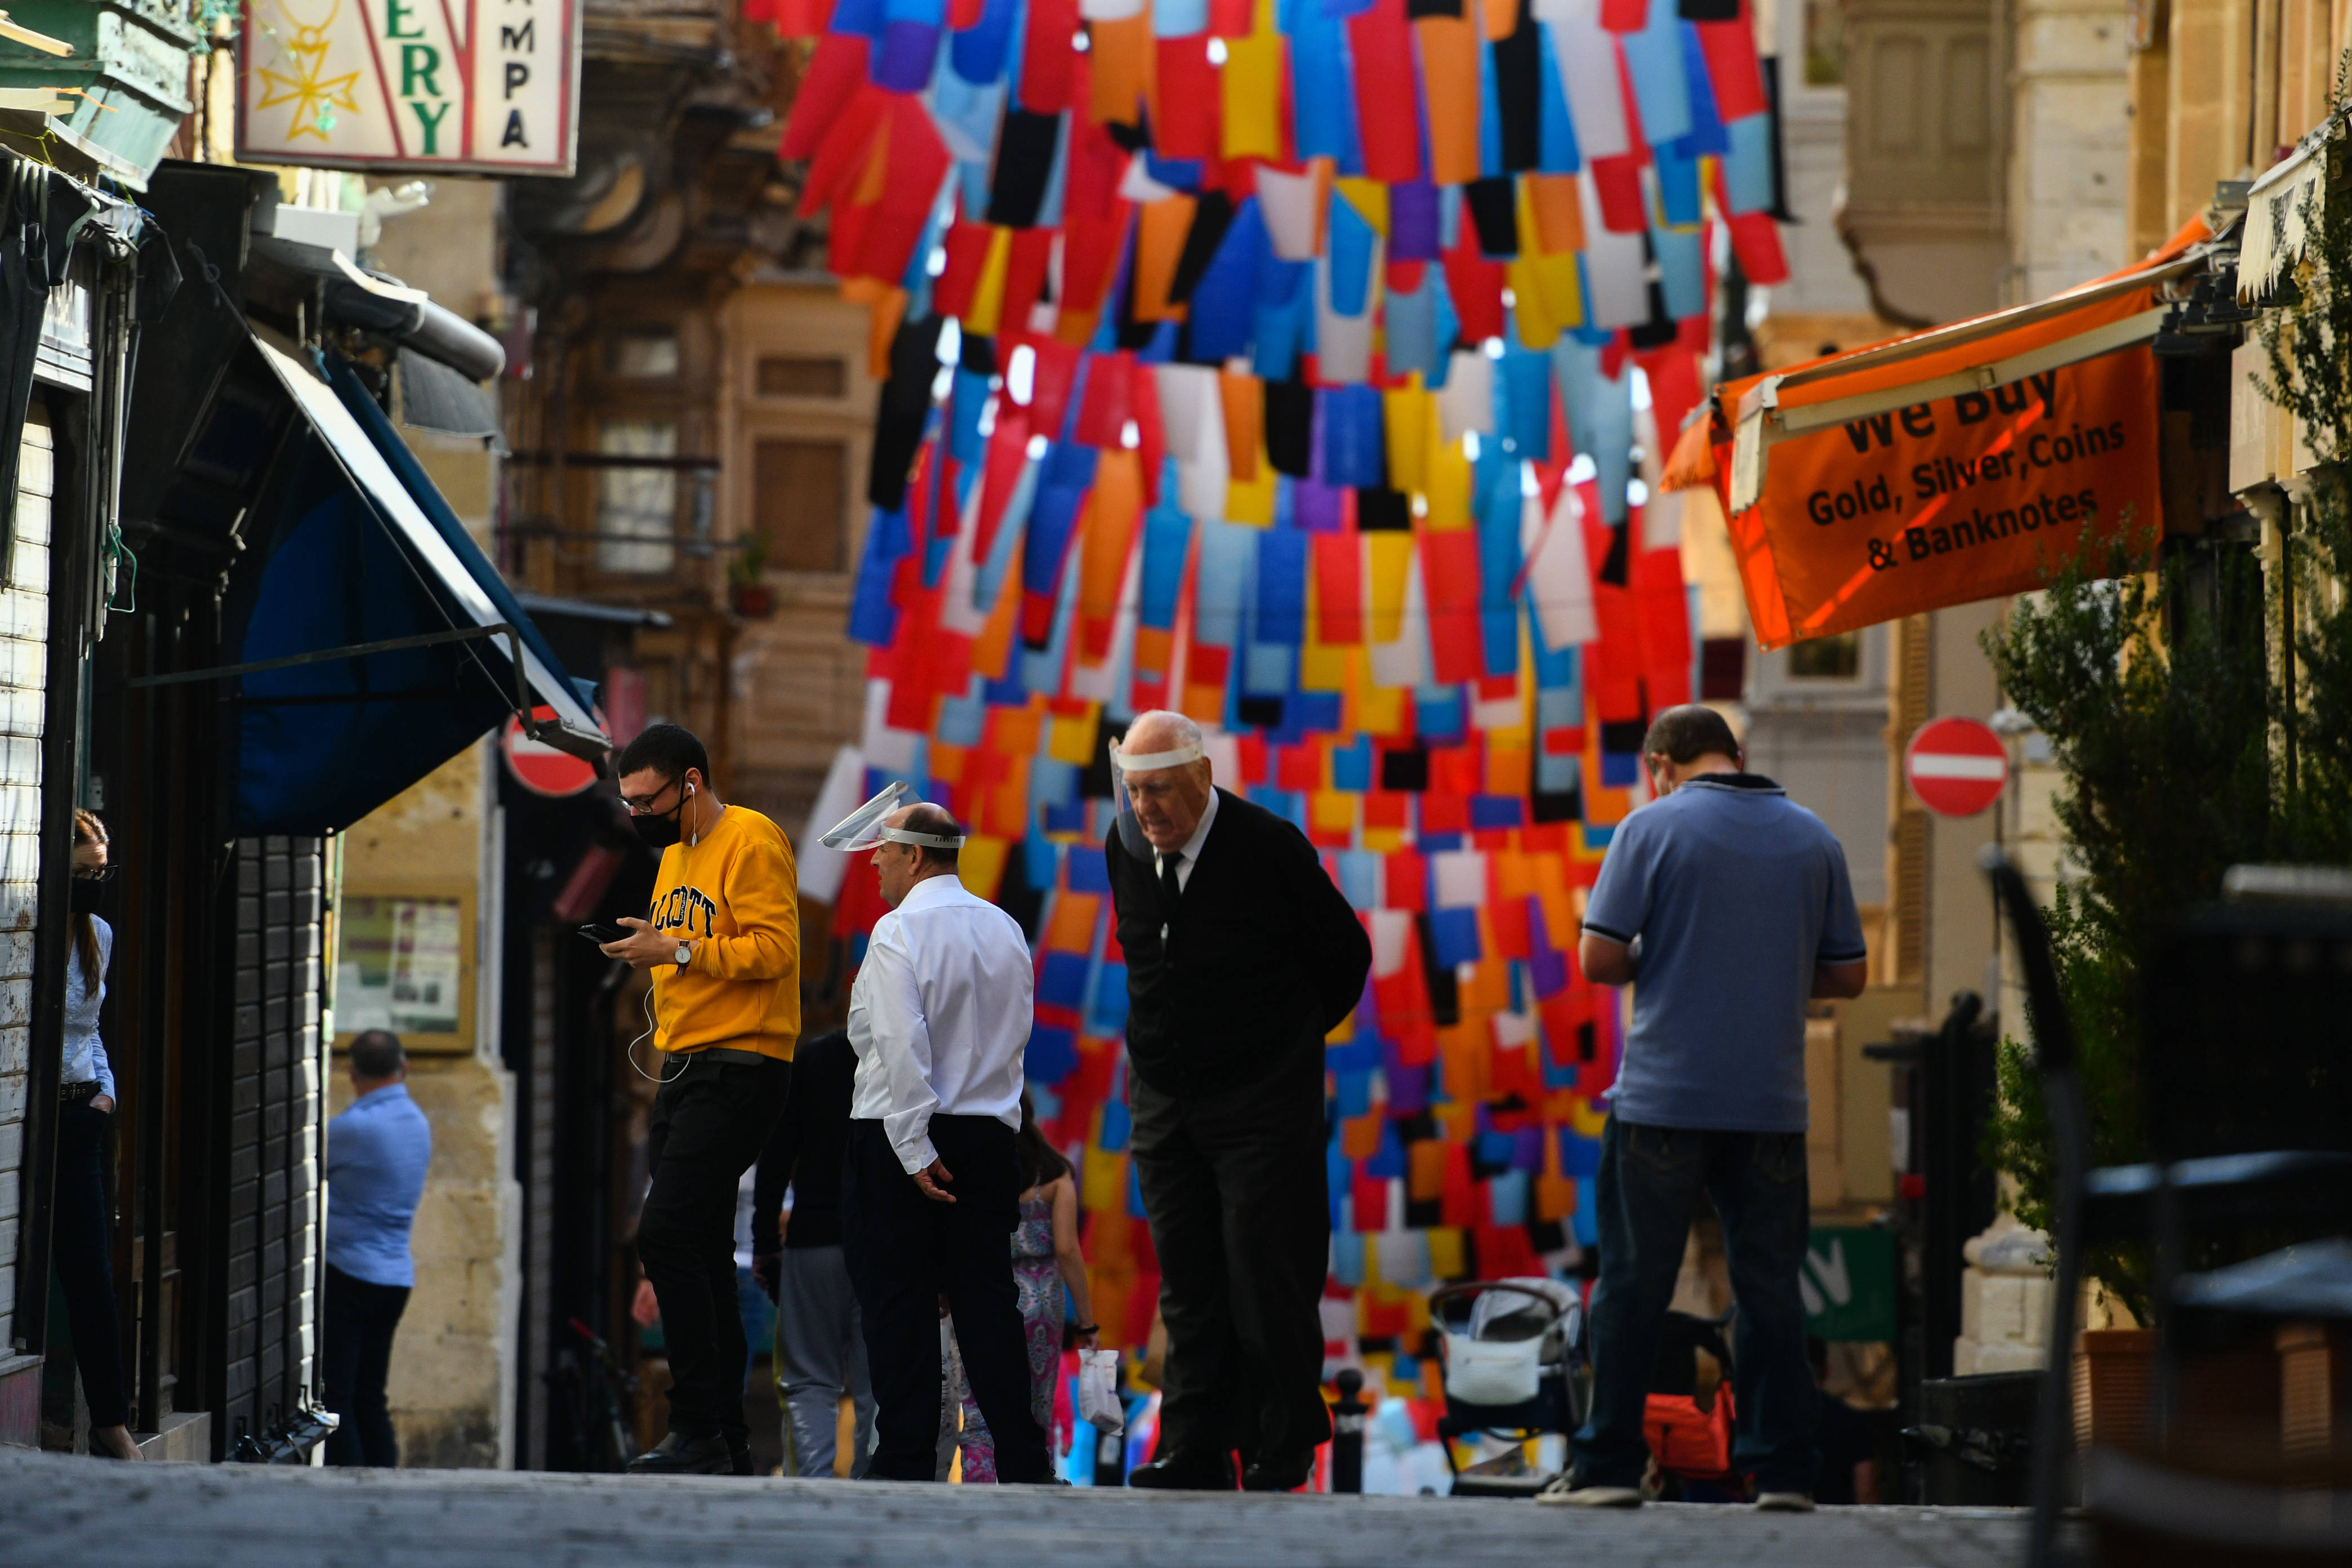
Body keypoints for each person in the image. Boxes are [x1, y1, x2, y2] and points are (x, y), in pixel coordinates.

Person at [1542, 704, 1868, 1512]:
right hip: (1770, 1104)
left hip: (1662, 1098)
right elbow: (1849, 975)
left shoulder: (1649, 830)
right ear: (1738, 754)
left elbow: (1599, 956)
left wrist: (1669, 954)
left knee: (1631, 1286)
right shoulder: (1813, 836)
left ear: (1661, 761)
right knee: (1771, 1291)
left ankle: (1609, 1469)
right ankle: (1784, 1473)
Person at [1103, 711, 1371, 1492]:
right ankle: (1194, 1446)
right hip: (1163, 1099)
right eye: (1135, 791)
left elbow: (1344, 957)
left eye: (1160, 791)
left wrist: (1283, 1051)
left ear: (1203, 779)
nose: (1147, 807)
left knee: (1266, 1270)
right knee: (1186, 1277)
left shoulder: (1267, 846)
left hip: (1260, 1100)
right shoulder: (1123, 847)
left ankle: (1282, 1440)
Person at [604, 722, 799, 1476]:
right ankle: (722, 1435)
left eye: (646, 799)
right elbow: (688, 946)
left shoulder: (751, 839)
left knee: (667, 1233)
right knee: (706, 1246)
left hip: (742, 1062)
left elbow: (777, 950)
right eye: (627, 802)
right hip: (681, 1065)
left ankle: (696, 1425)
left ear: (689, 782)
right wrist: (650, 944)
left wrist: (677, 949)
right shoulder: (675, 857)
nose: (637, 815)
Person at [838, 800, 1049, 1484]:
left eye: (883, 851)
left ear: (915, 855)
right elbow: (1015, 1039)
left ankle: (902, 1460)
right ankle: (1023, 1459)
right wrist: (997, 1130)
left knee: (897, 1304)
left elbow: (901, 1045)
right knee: (987, 1301)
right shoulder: (1007, 928)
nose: (873, 861)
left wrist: (913, 1146)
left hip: (904, 1134)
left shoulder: (899, 931)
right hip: (988, 1133)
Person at [950, 1090, 1100, 1481]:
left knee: (980, 1404)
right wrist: (1086, 1322)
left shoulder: (978, 1166)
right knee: (1035, 1405)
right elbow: (1068, 1249)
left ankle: (979, 1484)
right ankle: (1032, 1481)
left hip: (984, 1293)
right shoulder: (1053, 1173)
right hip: (1042, 1302)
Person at [750, 1027, 876, 1478]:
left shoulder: (815, 1059)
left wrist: (765, 1242)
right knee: (879, 1385)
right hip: (886, 1250)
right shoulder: (916, 1057)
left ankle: (811, 1486)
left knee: (807, 1378)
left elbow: (778, 1150)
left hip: (814, 1238)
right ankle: (874, 1484)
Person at [52, 810, 139, 1461]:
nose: (96, 882)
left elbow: (90, 1028)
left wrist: (106, 1093)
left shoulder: (98, 933)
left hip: (83, 1113)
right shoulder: (23, 930)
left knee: (93, 1276)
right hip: (35, 1118)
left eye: (102, 871)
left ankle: (111, 1424)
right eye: (85, 872)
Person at [322, 1028, 434, 1468]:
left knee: (338, 1397)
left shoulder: (352, 1129)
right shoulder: (418, 1123)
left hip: (350, 1274)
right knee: (372, 1396)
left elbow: (307, 1161)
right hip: (396, 1277)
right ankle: (387, 1484)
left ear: (351, 1073)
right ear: (403, 1067)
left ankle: (350, 1490)